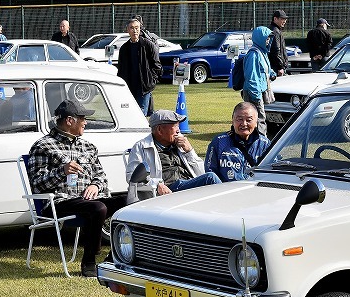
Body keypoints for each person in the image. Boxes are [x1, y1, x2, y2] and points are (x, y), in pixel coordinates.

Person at [27, 99, 127, 277]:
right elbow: (37, 184)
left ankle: (115, 257)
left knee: (130, 201)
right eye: (83, 118)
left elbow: (101, 176)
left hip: (90, 200)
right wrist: (61, 171)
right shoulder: (43, 146)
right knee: (98, 208)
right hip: (60, 201)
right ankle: (89, 261)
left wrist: (95, 185)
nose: (86, 122)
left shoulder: (88, 146)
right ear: (69, 121)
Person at [124, 110, 220, 200]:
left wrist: (189, 151)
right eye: (175, 126)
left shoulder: (180, 145)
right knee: (210, 178)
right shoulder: (142, 147)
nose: (179, 130)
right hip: (169, 191)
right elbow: (132, 177)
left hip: (188, 186)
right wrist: (156, 184)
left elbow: (202, 172)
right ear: (159, 130)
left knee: (212, 178)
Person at [205, 101, 270, 182]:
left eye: (249, 120)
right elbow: (210, 171)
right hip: (226, 188)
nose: (244, 124)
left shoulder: (265, 144)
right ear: (232, 121)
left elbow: (273, 170)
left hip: (255, 188)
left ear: (256, 122)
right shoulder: (219, 142)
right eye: (239, 119)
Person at [116, 17, 160, 116]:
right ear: (127, 30)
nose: (134, 30)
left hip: (144, 86)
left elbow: (157, 65)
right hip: (129, 86)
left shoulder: (148, 45)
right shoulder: (124, 48)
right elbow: (121, 69)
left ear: (140, 29)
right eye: (132, 28)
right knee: (130, 111)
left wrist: (151, 81)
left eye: (137, 28)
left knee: (141, 113)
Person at [241, 26, 276, 133]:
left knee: (259, 119)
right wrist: (256, 96)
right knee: (259, 119)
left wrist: (272, 74)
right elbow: (251, 77)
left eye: (269, 38)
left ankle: (258, 140)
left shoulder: (262, 53)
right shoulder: (253, 54)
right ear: (260, 38)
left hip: (260, 90)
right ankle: (261, 141)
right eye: (266, 38)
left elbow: (265, 69)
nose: (268, 41)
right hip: (254, 92)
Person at [268, 9, 290, 77]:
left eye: (285, 19)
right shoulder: (275, 31)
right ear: (275, 19)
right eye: (282, 19)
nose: (285, 21)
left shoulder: (275, 30)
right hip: (276, 68)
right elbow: (276, 50)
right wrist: (280, 67)